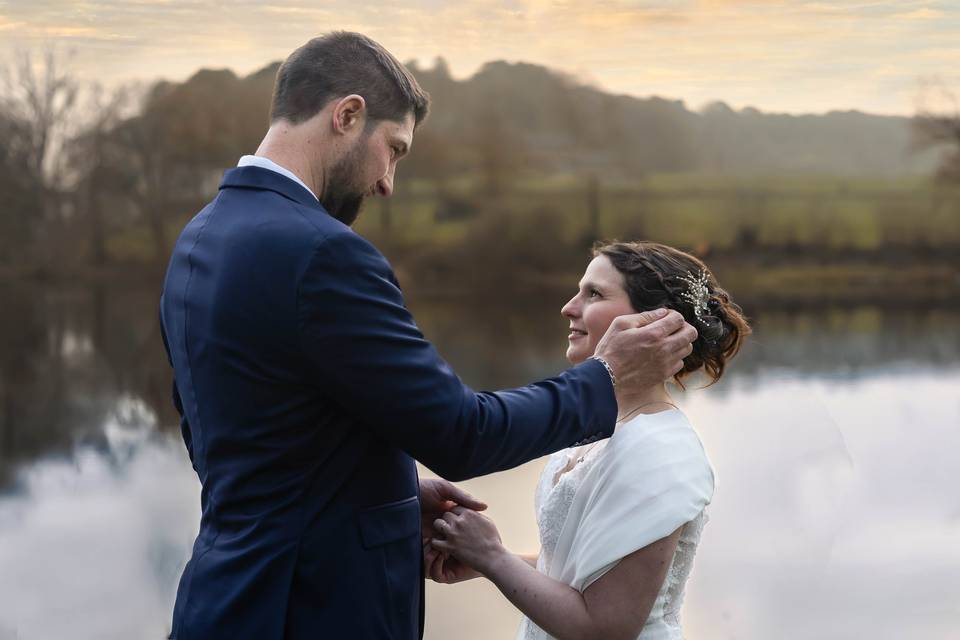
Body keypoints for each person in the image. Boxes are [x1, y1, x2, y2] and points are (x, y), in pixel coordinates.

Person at [158, 33, 698, 640]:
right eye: (393, 149)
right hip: (310, 611)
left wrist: (388, 488)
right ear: (348, 115)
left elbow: (227, 433)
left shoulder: (198, 240)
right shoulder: (323, 254)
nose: (387, 182)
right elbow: (461, 434)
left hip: (223, 602)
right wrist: (605, 378)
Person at [426, 241, 750, 640]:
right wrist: (486, 560)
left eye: (594, 293)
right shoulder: (595, 430)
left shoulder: (661, 451)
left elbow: (604, 628)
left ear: (653, 323)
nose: (568, 307)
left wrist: (491, 556)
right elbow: (577, 577)